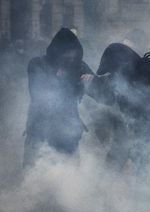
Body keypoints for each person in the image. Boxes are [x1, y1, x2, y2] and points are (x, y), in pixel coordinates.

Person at [96, 43, 150, 173]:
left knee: (149, 175)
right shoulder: (138, 70)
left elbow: (144, 105)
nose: (114, 74)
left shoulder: (141, 73)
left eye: (113, 69)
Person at [23, 28, 99, 169]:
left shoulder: (79, 66)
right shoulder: (37, 64)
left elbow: (102, 95)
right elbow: (38, 94)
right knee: (33, 176)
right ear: (57, 53)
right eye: (66, 56)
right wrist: (67, 80)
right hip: (40, 129)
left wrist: (92, 81)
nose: (70, 60)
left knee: (69, 177)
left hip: (68, 133)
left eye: (73, 57)